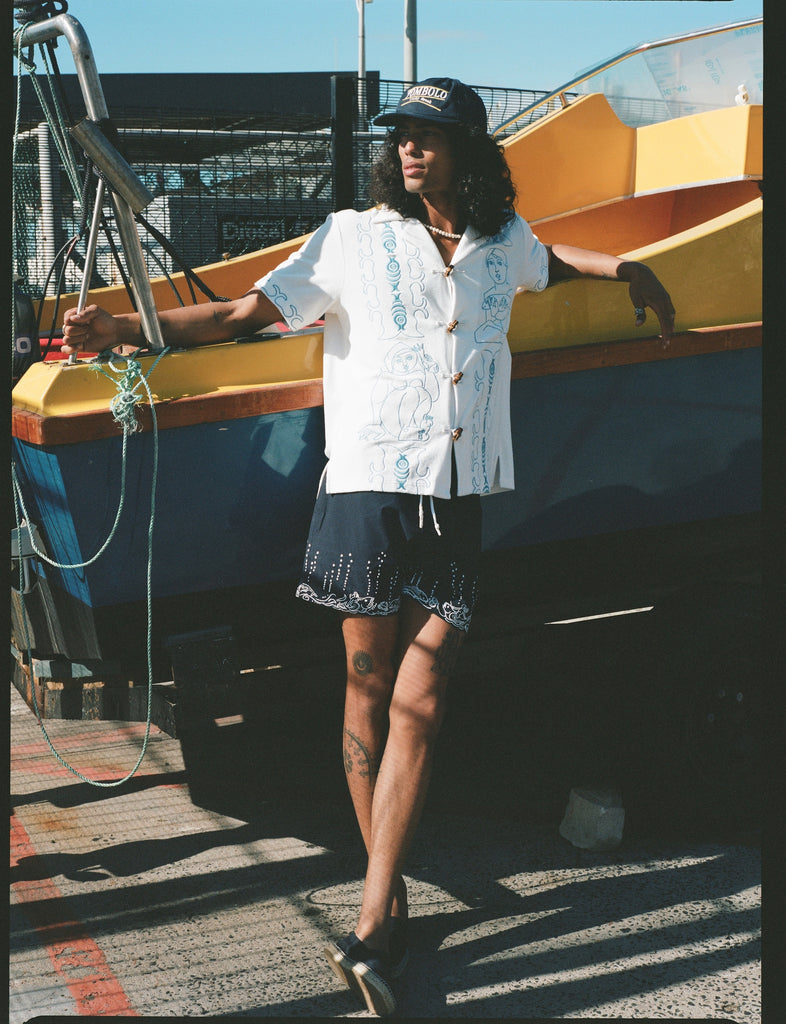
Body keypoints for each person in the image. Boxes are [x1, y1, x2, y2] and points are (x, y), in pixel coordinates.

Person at [62, 78, 675, 1016]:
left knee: (421, 704)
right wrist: (124, 333)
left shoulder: (501, 245)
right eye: (402, 137)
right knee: (368, 689)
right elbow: (238, 315)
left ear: (470, 152)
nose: (410, 150)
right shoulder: (351, 238)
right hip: (366, 493)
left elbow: (553, 259)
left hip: (460, 495)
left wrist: (628, 268)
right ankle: (382, 900)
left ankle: (378, 901)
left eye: (430, 136)